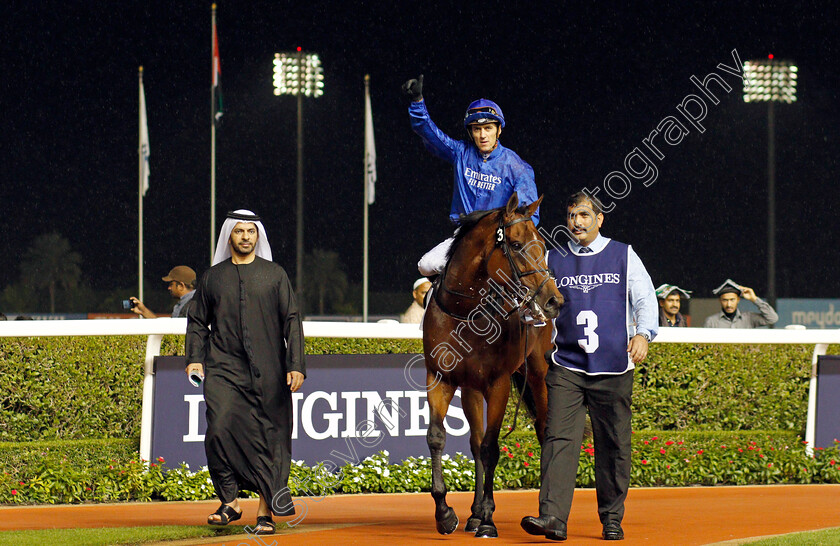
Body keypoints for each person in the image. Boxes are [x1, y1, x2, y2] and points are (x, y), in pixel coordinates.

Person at [521, 192, 658, 542]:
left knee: (613, 446)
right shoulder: (554, 257)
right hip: (567, 366)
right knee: (557, 440)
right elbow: (535, 301)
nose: (576, 222)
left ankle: (612, 518)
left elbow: (645, 298)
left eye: (583, 215)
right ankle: (552, 517)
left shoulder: (623, 254)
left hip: (613, 367)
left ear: (599, 219)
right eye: (570, 216)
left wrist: (643, 334)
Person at [185, 210, 305, 536]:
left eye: (251, 231)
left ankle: (265, 513)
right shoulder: (212, 278)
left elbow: (292, 321)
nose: (246, 237)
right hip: (223, 369)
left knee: (272, 441)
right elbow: (197, 322)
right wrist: (195, 359)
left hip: (272, 371)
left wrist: (295, 364)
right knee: (219, 429)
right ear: (229, 236)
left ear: (258, 236)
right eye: (239, 231)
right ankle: (230, 502)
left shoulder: (275, 275)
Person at [401, 74, 540, 276]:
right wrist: (417, 102)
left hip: (501, 239)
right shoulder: (461, 153)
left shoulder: (517, 166)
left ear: (498, 130)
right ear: (471, 132)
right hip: (465, 237)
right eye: (477, 129)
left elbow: (529, 214)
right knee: (426, 265)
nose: (482, 135)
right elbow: (428, 131)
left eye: (488, 128)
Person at [704, 279, 778, 328]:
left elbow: (772, 318)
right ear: (720, 300)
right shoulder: (711, 321)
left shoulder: (749, 318)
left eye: (732, 300)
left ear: (738, 300)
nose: (729, 304)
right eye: (725, 300)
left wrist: (754, 299)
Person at [129, 266, 197, 318]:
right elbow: (167, 330)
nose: (169, 288)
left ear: (181, 286)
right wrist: (143, 311)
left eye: (171, 284)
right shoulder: (190, 303)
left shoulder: (194, 305)